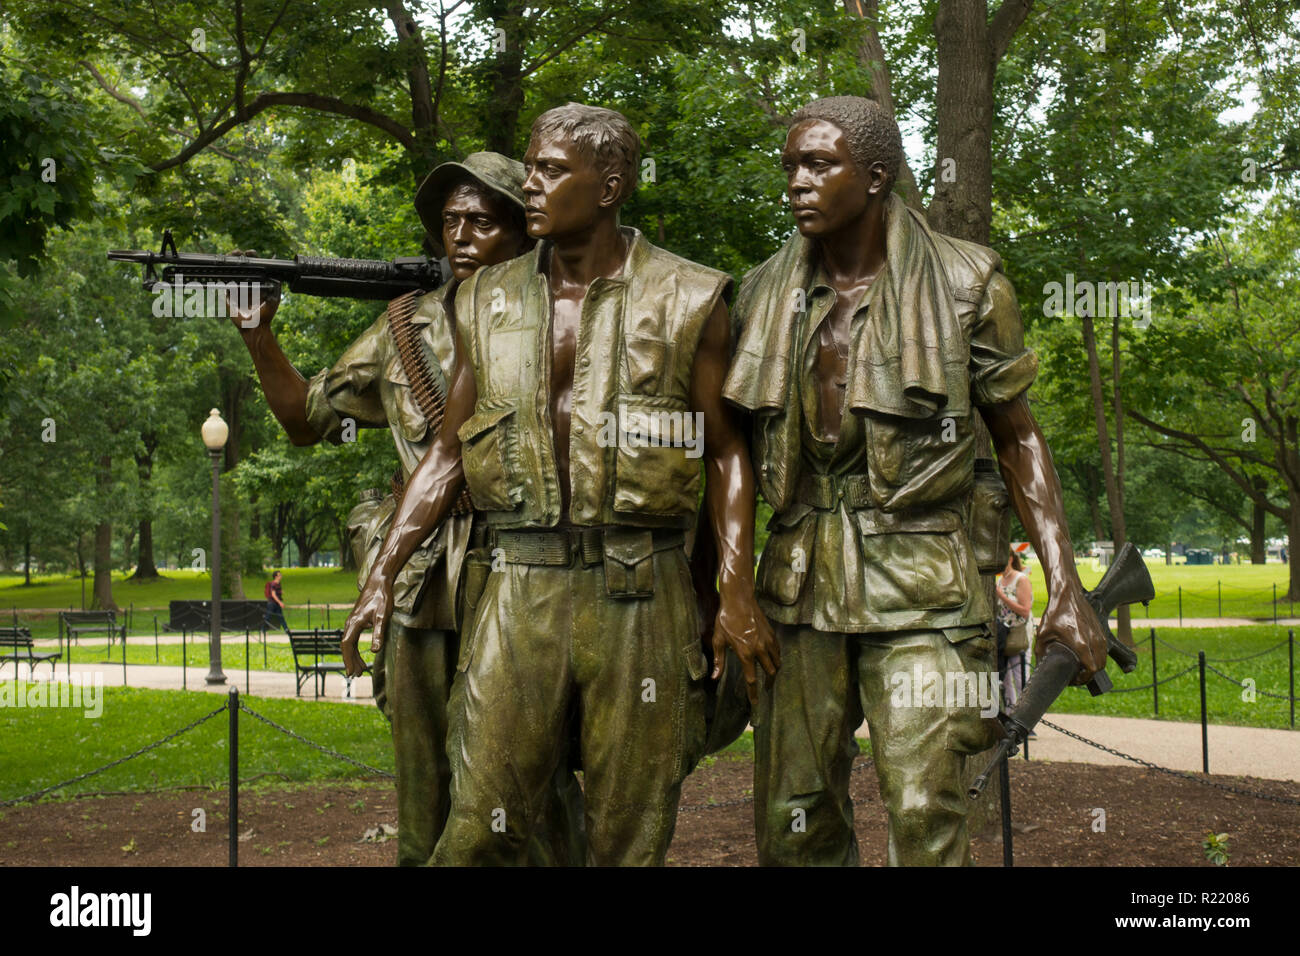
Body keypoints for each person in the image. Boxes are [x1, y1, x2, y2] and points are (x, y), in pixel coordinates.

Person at [342, 102, 778, 866]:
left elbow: (724, 453)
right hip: (519, 588)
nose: (531, 187)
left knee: (627, 834)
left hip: (639, 590)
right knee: (481, 826)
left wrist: (735, 591)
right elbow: (447, 456)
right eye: (532, 167)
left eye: (550, 171)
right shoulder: (485, 298)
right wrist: (380, 577)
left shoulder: (692, 295)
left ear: (608, 187)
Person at [724, 95, 1108, 866]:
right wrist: (730, 589)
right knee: (793, 813)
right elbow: (726, 449)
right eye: (790, 166)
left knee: (925, 803)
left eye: (818, 165)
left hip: (924, 578)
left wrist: (1065, 584)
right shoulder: (761, 292)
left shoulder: (969, 282)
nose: (796, 182)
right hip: (797, 580)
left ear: (874, 176)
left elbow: (1018, 437)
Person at [228, 152, 583, 867]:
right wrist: (257, 334)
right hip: (423, 578)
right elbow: (304, 420)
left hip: (522, 566)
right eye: (449, 221)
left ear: (524, 232)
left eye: (483, 220)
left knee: (527, 769)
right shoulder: (403, 328)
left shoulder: (563, 317)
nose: (461, 235)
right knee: (423, 770)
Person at [995, 549, 1033, 709]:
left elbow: (1025, 610)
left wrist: (1000, 595)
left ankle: (1026, 716)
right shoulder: (999, 581)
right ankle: (1010, 713)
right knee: (1005, 676)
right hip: (1004, 633)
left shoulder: (1020, 579)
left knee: (1021, 676)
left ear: (1010, 559)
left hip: (1019, 632)